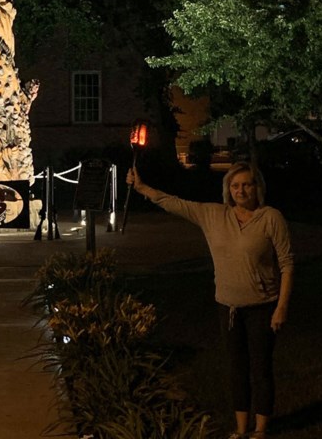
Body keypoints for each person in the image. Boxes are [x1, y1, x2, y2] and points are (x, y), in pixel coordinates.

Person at [126, 162, 294, 439]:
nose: (241, 190)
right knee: (236, 369)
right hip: (227, 307)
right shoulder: (213, 215)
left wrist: (281, 308)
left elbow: (287, 264)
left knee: (260, 368)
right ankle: (241, 429)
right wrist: (142, 187)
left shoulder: (270, 218)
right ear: (228, 189)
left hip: (262, 306)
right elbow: (174, 203)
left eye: (247, 184)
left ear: (258, 188)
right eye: (235, 185)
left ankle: (261, 429)